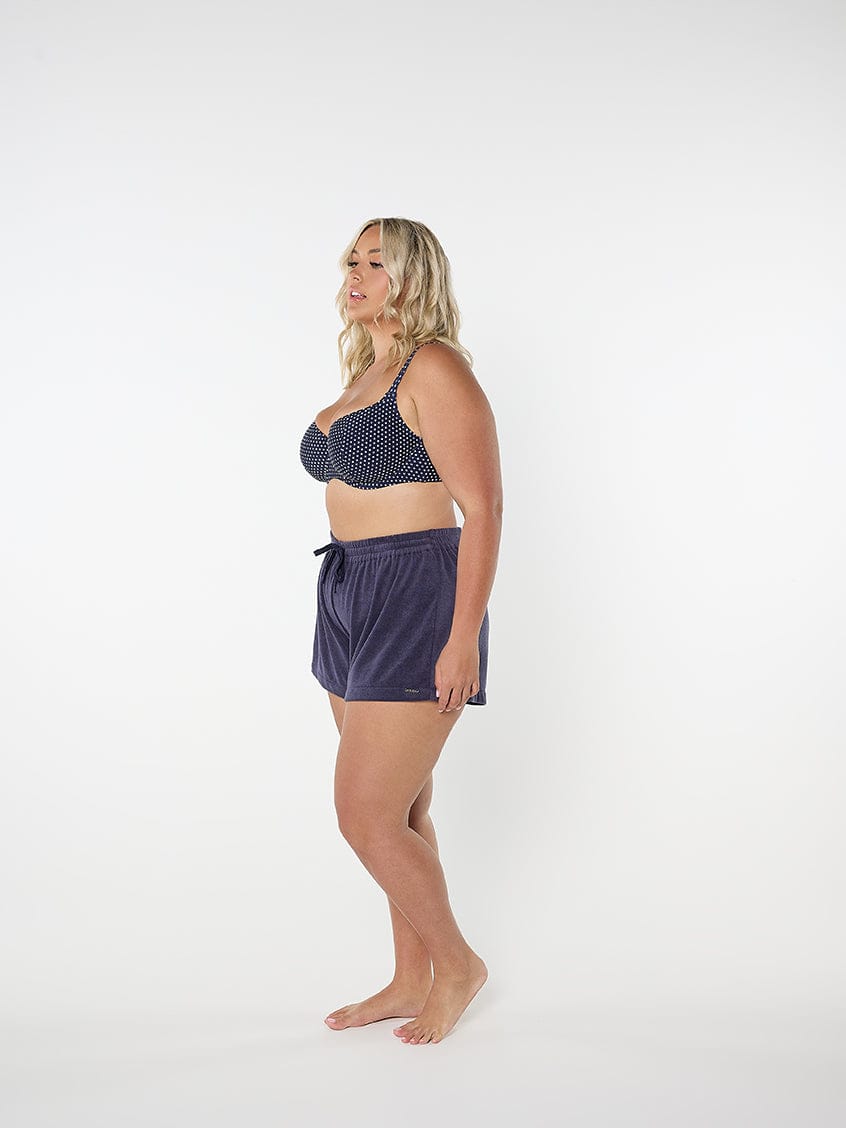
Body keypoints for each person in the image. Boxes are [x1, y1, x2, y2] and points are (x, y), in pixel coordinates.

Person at [299, 217, 503, 1045]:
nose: (356, 273)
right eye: (352, 259)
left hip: (418, 589)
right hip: (349, 589)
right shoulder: (368, 370)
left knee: (365, 813)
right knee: (402, 808)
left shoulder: (436, 366)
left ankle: (456, 965)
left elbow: (483, 507)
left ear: (413, 277)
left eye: (376, 263)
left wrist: (462, 638)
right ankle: (408, 977)